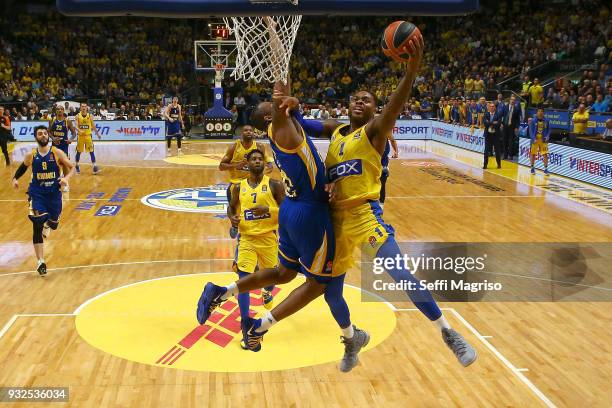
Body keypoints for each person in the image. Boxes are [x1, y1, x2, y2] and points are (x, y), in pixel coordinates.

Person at [198, 17, 368, 373]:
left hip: (291, 211)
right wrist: (276, 35)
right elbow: (280, 75)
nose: (276, 101)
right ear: (269, 116)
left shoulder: (289, 131)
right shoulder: (282, 127)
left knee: (283, 273)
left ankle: (222, 291)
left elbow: (331, 124)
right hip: (310, 213)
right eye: (273, 104)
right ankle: (260, 326)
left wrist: (369, 126)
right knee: (318, 284)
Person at [295, 34, 476, 367]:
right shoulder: (336, 132)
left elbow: (397, 102)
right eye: (355, 99)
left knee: (402, 276)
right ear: (347, 106)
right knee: (331, 293)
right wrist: (290, 108)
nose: (359, 102)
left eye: (367, 100)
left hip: (365, 217)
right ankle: (352, 340)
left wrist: (412, 70)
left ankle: (449, 333)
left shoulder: (375, 132)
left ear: (376, 111)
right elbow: (304, 125)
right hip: (335, 222)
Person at [227, 149, 284, 344]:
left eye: (260, 159)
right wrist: (232, 218)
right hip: (247, 239)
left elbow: (286, 210)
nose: (257, 161)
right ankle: (246, 324)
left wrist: (268, 210)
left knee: (272, 278)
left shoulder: (275, 185)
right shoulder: (238, 187)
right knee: (244, 281)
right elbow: (231, 207)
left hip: (268, 238)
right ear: (248, 163)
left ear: (264, 163)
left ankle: (267, 291)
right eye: (254, 159)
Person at [11, 125, 75, 275]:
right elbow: (22, 168)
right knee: (37, 223)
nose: (43, 135)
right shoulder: (31, 155)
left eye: (45, 133)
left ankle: (49, 223)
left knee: (53, 225)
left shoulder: (56, 152)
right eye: (40, 134)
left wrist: (66, 178)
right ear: (36, 137)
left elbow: (72, 167)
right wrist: (15, 178)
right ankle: (40, 261)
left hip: (53, 194)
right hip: (37, 193)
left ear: (48, 136)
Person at [219, 125, 273, 238]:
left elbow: (268, 160)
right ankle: (234, 224)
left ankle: (262, 229)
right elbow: (221, 166)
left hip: (255, 181)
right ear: (241, 133)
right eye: (246, 130)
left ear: (254, 133)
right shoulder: (234, 147)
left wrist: (269, 165)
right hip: (237, 182)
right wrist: (236, 165)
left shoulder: (259, 146)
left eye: (251, 130)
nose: (249, 132)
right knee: (234, 208)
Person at [74, 103, 101, 175]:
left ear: (87, 108)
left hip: (88, 136)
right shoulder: (77, 116)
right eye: (82, 106)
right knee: (79, 151)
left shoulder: (90, 116)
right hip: (80, 136)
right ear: (80, 108)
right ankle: (77, 165)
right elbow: (75, 126)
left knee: (91, 151)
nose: (83, 108)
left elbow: (93, 126)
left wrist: (97, 134)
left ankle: (94, 167)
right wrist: (79, 130)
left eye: (85, 106)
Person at [529, 108, 551, 175]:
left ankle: (546, 169)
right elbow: (531, 131)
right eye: (539, 111)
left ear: (543, 112)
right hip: (535, 139)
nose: (540, 112)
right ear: (537, 112)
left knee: (545, 154)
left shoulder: (546, 120)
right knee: (533, 154)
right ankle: (532, 168)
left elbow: (549, 129)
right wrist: (533, 138)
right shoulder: (533, 120)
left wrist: (547, 136)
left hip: (543, 140)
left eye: (542, 111)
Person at [380, 132, 399, 207]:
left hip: (384, 161)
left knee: (382, 182)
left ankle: (381, 206)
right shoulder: (370, 129)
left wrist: (396, 152)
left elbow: (393, 140)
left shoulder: (385, 129)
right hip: (373, 159)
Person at [483, 102, 502, 169]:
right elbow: (485, 123)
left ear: (495, 108)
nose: (492, 107)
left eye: (493, 106)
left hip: (495, 135)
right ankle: (485, 165)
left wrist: (489, 122)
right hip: (488, 135)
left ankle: (499, 164)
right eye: (490, 106)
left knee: (497, 150)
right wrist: (493, 123)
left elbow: (498, 124)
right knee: (486, 150)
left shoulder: (498, 114)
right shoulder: (486, 114)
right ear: (488, 107)